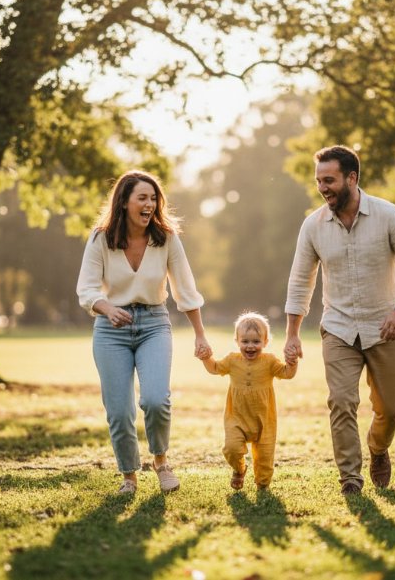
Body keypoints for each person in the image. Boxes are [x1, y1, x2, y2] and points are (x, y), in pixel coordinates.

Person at [283, 145, 395, 496]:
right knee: (342, 401)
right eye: (319, 181)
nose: (323, 188)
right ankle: (350, 478)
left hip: (386, 327)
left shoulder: (388, 215)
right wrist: (292, 334)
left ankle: (378, 449)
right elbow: (301, 280)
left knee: (391, 409)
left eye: (330, 180)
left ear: (352, 177)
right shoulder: (313, 226)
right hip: (338, 328)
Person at [76, 170, 211, 495]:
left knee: (155, 400)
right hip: (111, 330)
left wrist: (200, 335)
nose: (149, 204)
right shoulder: (101, 238)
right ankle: (129, 477)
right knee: (119, 411)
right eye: (142, 198)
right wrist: (107, 308)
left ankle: (161, 462)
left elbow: (186, 290)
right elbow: (86, 289)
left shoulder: (166, 238)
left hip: (153, 324)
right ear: (124, 202)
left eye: (153, 198)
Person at [198, 312, 297, 491]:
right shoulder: (232, 360)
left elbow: (287, 374)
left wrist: (292, 362)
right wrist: (206, 357)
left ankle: (263, 485)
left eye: (256, 342)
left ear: (266, 342)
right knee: (232, 448)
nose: (250, 346)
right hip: (236, 417)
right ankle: (239, 469)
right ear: (237, 341)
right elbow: (214, 368)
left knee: (265, 456)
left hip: (264, 419)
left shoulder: (270, 361)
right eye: (245, 341)